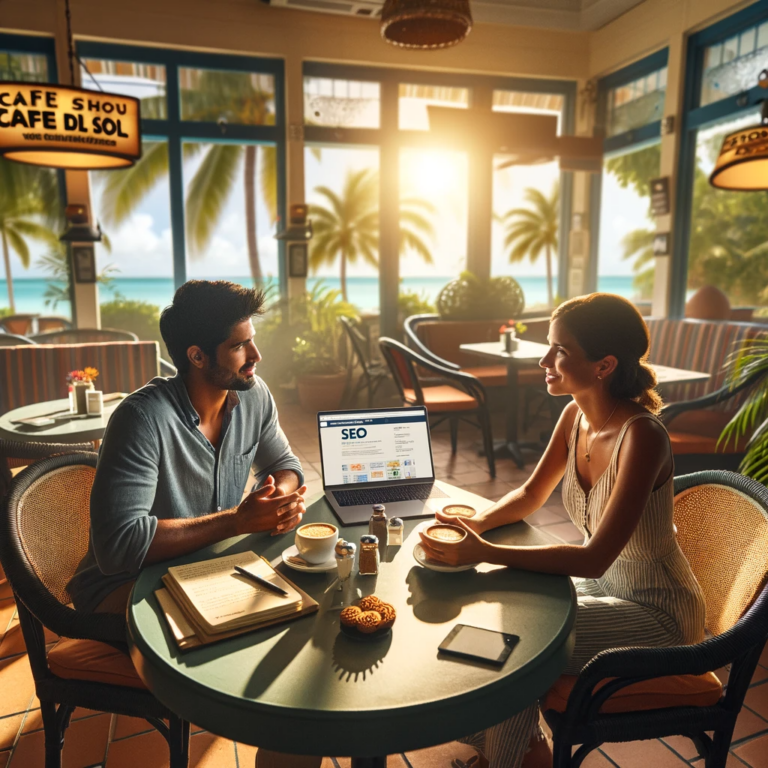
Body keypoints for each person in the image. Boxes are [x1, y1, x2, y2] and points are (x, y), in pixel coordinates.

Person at [419, 293, 706, 768]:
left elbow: (594, 557)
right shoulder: (574, 415)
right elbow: (531, 495)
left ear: (604, 365)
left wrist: (484, 551)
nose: (543, 359)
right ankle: (524, 751)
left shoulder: (642, 436)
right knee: (501, 611)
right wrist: (475, 523)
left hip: (659, 612)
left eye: (560, 351)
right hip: (606, 587)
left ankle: (511, 758)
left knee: (521, 644)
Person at [68, 280, 307, 615]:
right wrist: (237, 521)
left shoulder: (254, 395)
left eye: (252, 340)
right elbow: (119, 545)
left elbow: (284, 463)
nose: (256, 355)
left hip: (205, 566)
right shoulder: (141, 420)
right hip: (125, 584)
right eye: (240, 346)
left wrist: (277, 502)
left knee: (300, 600)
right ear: (197, 356)